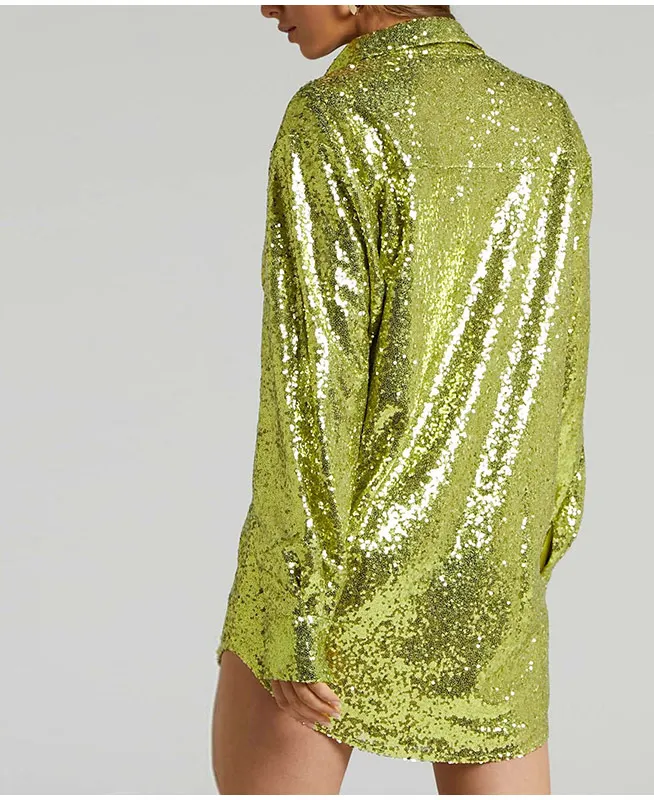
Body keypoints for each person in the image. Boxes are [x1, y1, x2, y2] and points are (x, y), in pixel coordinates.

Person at [211, 4, 592, 794]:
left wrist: (297, 605)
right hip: (489, 575)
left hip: (335, 570)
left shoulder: (333, 116)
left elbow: (312, 384)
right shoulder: (546, 120)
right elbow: (561, 362)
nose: (268, 5)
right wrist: (522, 562)